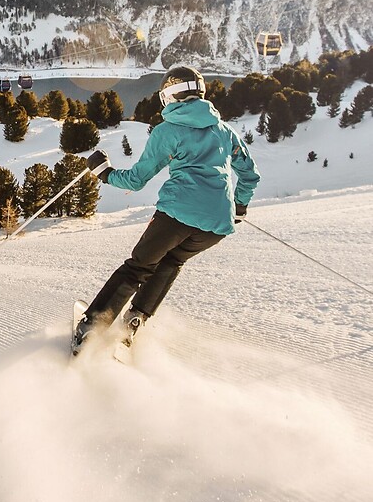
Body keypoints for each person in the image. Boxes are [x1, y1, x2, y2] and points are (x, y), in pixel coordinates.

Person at [72, 65, 261, 354]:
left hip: (176, 215)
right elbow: (250, 175)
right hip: (216, 226)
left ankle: (90, 330)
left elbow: (136, 180)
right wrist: (240, 207)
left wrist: (105, 173)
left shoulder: (168, 131)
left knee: (137, 268)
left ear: (170, 96)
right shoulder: (224, 131)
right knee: (171, 262)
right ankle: (133, 321)